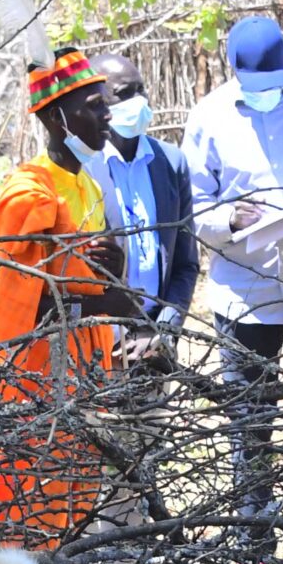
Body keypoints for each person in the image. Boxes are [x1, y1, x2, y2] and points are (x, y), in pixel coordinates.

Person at [0, 44, 139, 543]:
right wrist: (100, 302)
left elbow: (95, 271)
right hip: (30, 372)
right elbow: (17, 296)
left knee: (68, 487)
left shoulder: (86, 184)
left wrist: (113, 280)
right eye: (91, 105)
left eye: (104, 102)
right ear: (55, 117)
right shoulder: (28, 193)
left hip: (80, 370)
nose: (106, 113)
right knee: (12, 482)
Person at [182, 16, 283, 564]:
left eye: (273, 79)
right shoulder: (209, 116)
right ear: (234, 72)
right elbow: (193, 206)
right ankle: (254, 546)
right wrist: (229, 217)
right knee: (251, 421)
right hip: (242, 289)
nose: (264, 92)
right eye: (253, 81)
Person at [87, 52, 197, 354]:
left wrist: (163, 330)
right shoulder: (84, 169)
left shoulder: (170, 162)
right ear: (99, 102)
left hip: (154, 344)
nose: (139, 101)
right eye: (124, 94)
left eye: (141, 90)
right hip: (98, 343)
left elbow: (186, 264)